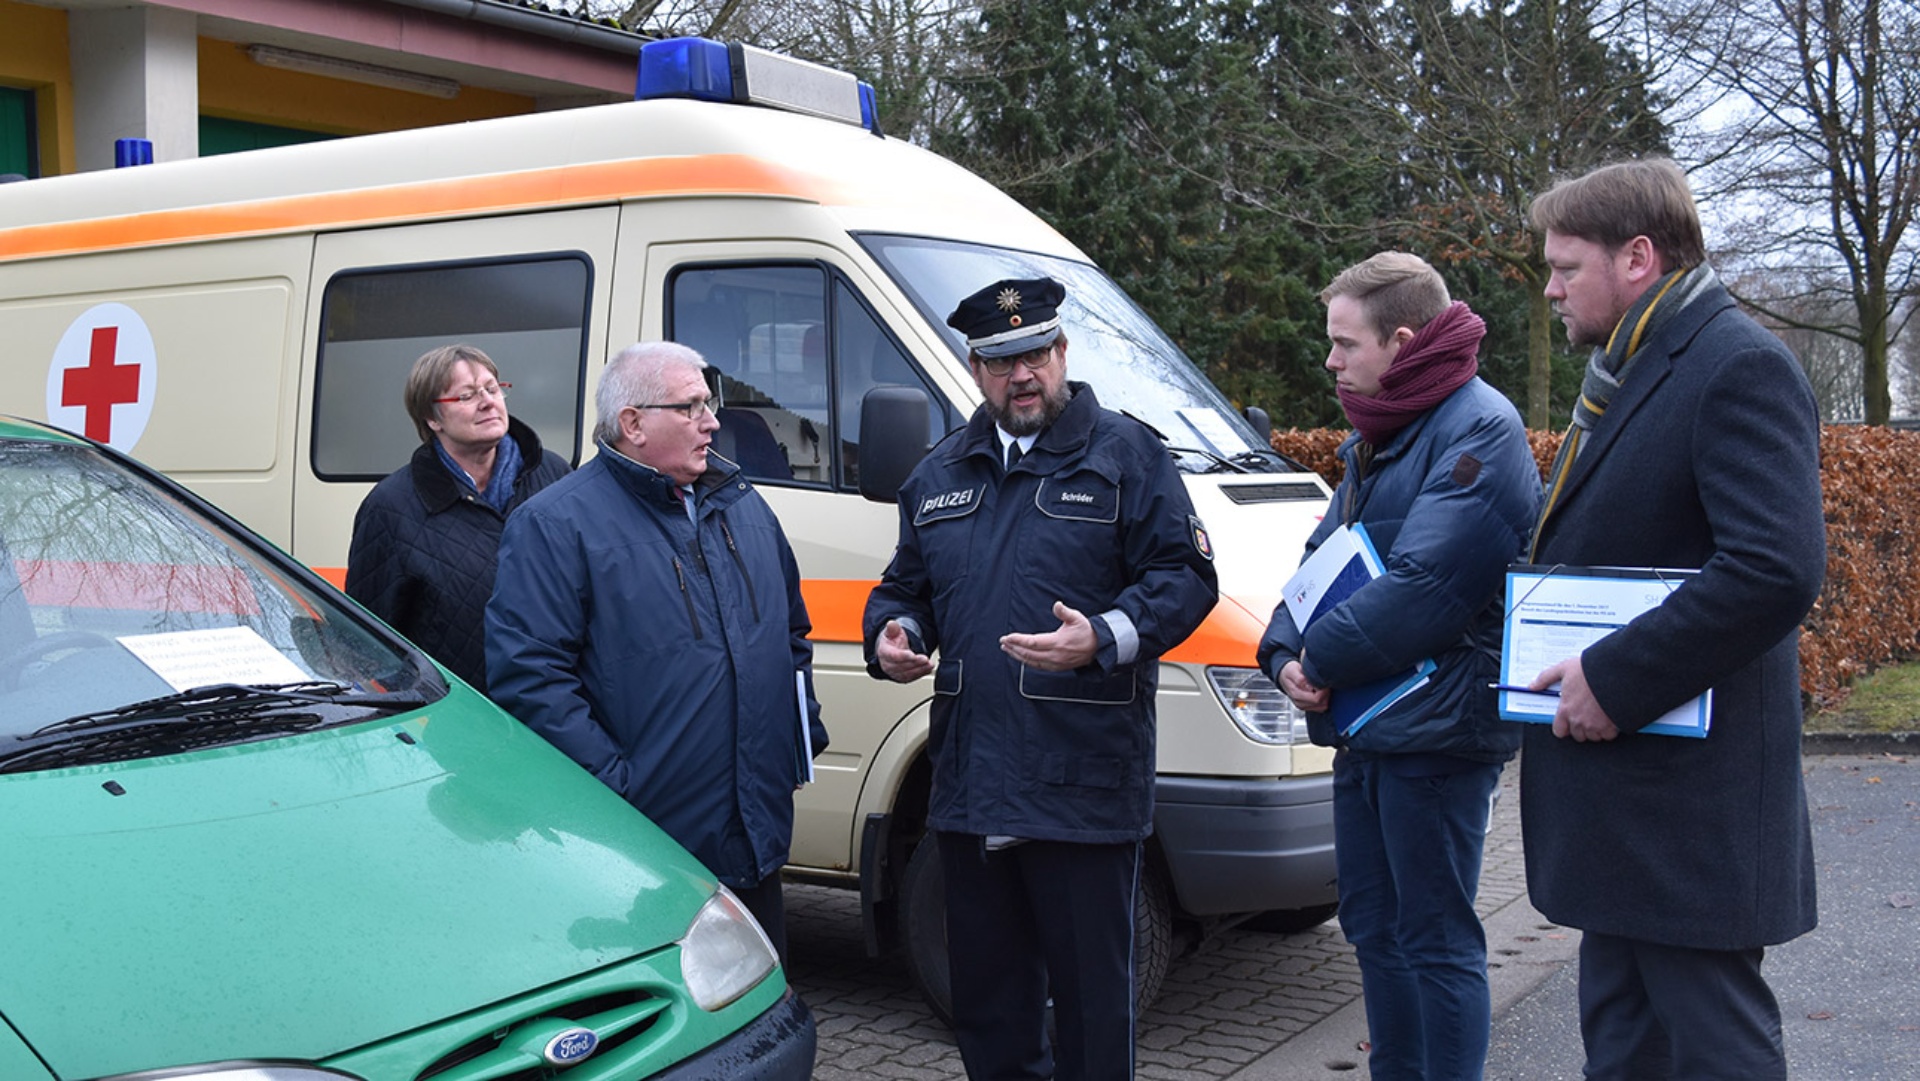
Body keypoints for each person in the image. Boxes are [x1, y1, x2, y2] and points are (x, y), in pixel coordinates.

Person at [862, 277, 1219, 1081]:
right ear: (974, 367)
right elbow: (904, 588)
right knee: (988, 1010)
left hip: (1081, 788)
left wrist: (1102, 635)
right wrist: (894, 633)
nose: (1020, 375)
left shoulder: (1129, 455)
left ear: (1061, 353)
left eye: (1034, 354)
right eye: (999, 360)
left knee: (1095, 1015)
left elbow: (1186, 578)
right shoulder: (938, 474)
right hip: (971, 783)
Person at [1521, 158, 1825, 1080]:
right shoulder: (1640, 365)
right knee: (1624, 1045)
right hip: (1630, 802)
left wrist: (1613, 676)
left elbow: (1774, 569)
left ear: (1639, 258)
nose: (1551, 287)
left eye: (1567, 266)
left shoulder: (1737, 365)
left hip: (1689, 811)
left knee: (1712, 1049)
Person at [1255, 253, 1538, 1080]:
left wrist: (1315, 655)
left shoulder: (1480, 429)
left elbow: (1427, 589)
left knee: (1437, 939)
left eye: (1345, 344)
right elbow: (1320, 560)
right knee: (1374, 928)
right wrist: (1279, 651)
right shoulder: (1381, 434)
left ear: (1402, 340)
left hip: (1439, 733)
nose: (1332, 361)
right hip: (1371, 727)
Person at [484, 340, 827, 961]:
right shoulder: (556, 523)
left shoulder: (743, 507)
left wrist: (795, 741)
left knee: (756, 1014)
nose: (713, 421)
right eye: (691, 406)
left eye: (710, 402)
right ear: (633, 423)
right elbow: (531, 679)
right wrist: (619, 788)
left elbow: (791, 636)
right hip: (644, 849)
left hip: (755, 830)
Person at [346, 343, 568, 693]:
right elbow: (369, 645)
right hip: (460, 719)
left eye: (492, 389)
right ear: (432, 418)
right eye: (466, 396)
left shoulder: (552, 473)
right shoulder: (390, 507)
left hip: (558, 704)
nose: (487, 402)